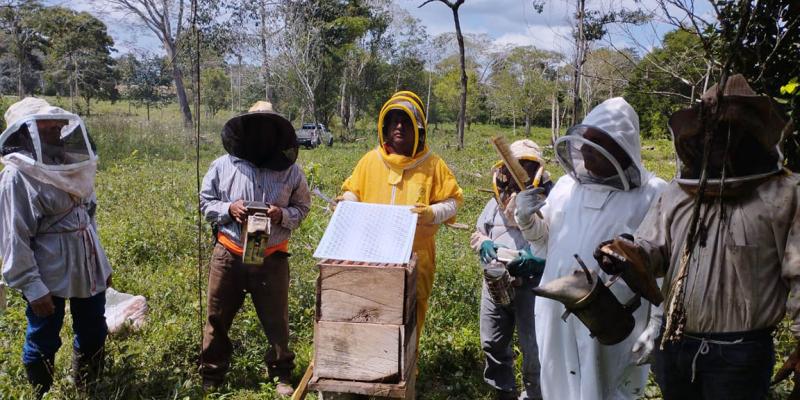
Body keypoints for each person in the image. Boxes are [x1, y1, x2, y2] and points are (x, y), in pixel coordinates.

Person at [596, 74, 800, 399]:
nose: (718, 137)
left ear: (751, 132)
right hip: (674, 345)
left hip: (740, 355)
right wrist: (625, 254)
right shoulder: (677, 193)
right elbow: (654, 251)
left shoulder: (786, 193)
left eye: (729, 129)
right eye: (711, 130)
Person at [514, 97, 666, 399]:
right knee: (557, 384)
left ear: (620, 148)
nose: (584, 150)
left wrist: (657, 323)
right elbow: (545, 245)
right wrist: (525, 218)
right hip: (556, 306)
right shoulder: (568, 188)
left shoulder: (653, 194)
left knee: (604, 390)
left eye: (596, 142)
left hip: (613, 317)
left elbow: (662, 266)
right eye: (585, 140)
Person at [0, 97, 112, 398]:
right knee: (44, 335)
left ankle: (88, 386)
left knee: (93, 328)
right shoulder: (16, 177)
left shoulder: (69, 165)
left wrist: (102, 265)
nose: (59, 134)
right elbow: (14, 238)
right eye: (49, 130)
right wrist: (33, 287)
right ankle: (41, 392)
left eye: (59, 128)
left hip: (87, 266)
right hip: (47, 271)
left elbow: (87, 218)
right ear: (27, 134)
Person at [199, 101, 311, 396]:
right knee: (217, 316)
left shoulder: (291, 172)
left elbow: (303, 206)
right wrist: (229, 208)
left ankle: (281, 374)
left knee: (277, 321)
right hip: (229, 253)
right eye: (256, 126)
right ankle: (212, 371)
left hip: (272, 257)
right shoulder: (222, 166)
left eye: (268, 127)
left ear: (276, 132)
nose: (261, 133)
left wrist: (281, 215)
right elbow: (206, 202)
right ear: (245, 130)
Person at [339, 90, 463, 340]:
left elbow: (453, 201)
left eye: (406, 121)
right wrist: (346, 203)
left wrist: (431, 213)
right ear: (384, 126)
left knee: (410, 320)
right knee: (371, 313)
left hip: (416, 258)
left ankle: (409, 374)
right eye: (394, 120)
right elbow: (353, 191)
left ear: (418, 128)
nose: (399, 126)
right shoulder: (370, 161)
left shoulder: (433, 165)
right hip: (372, 257)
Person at [469, 139, 553, 400]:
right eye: (516, 166)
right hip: (496, 283)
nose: (520, 172)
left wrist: (538, 261)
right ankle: (502, 392)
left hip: (533, 287)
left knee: (535, 350)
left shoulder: (551, 203)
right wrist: (483, 243)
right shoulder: (494, 204)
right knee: (492, 343)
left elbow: (560, 245)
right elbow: (478, 232)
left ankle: (534, 395)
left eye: (527, 166)